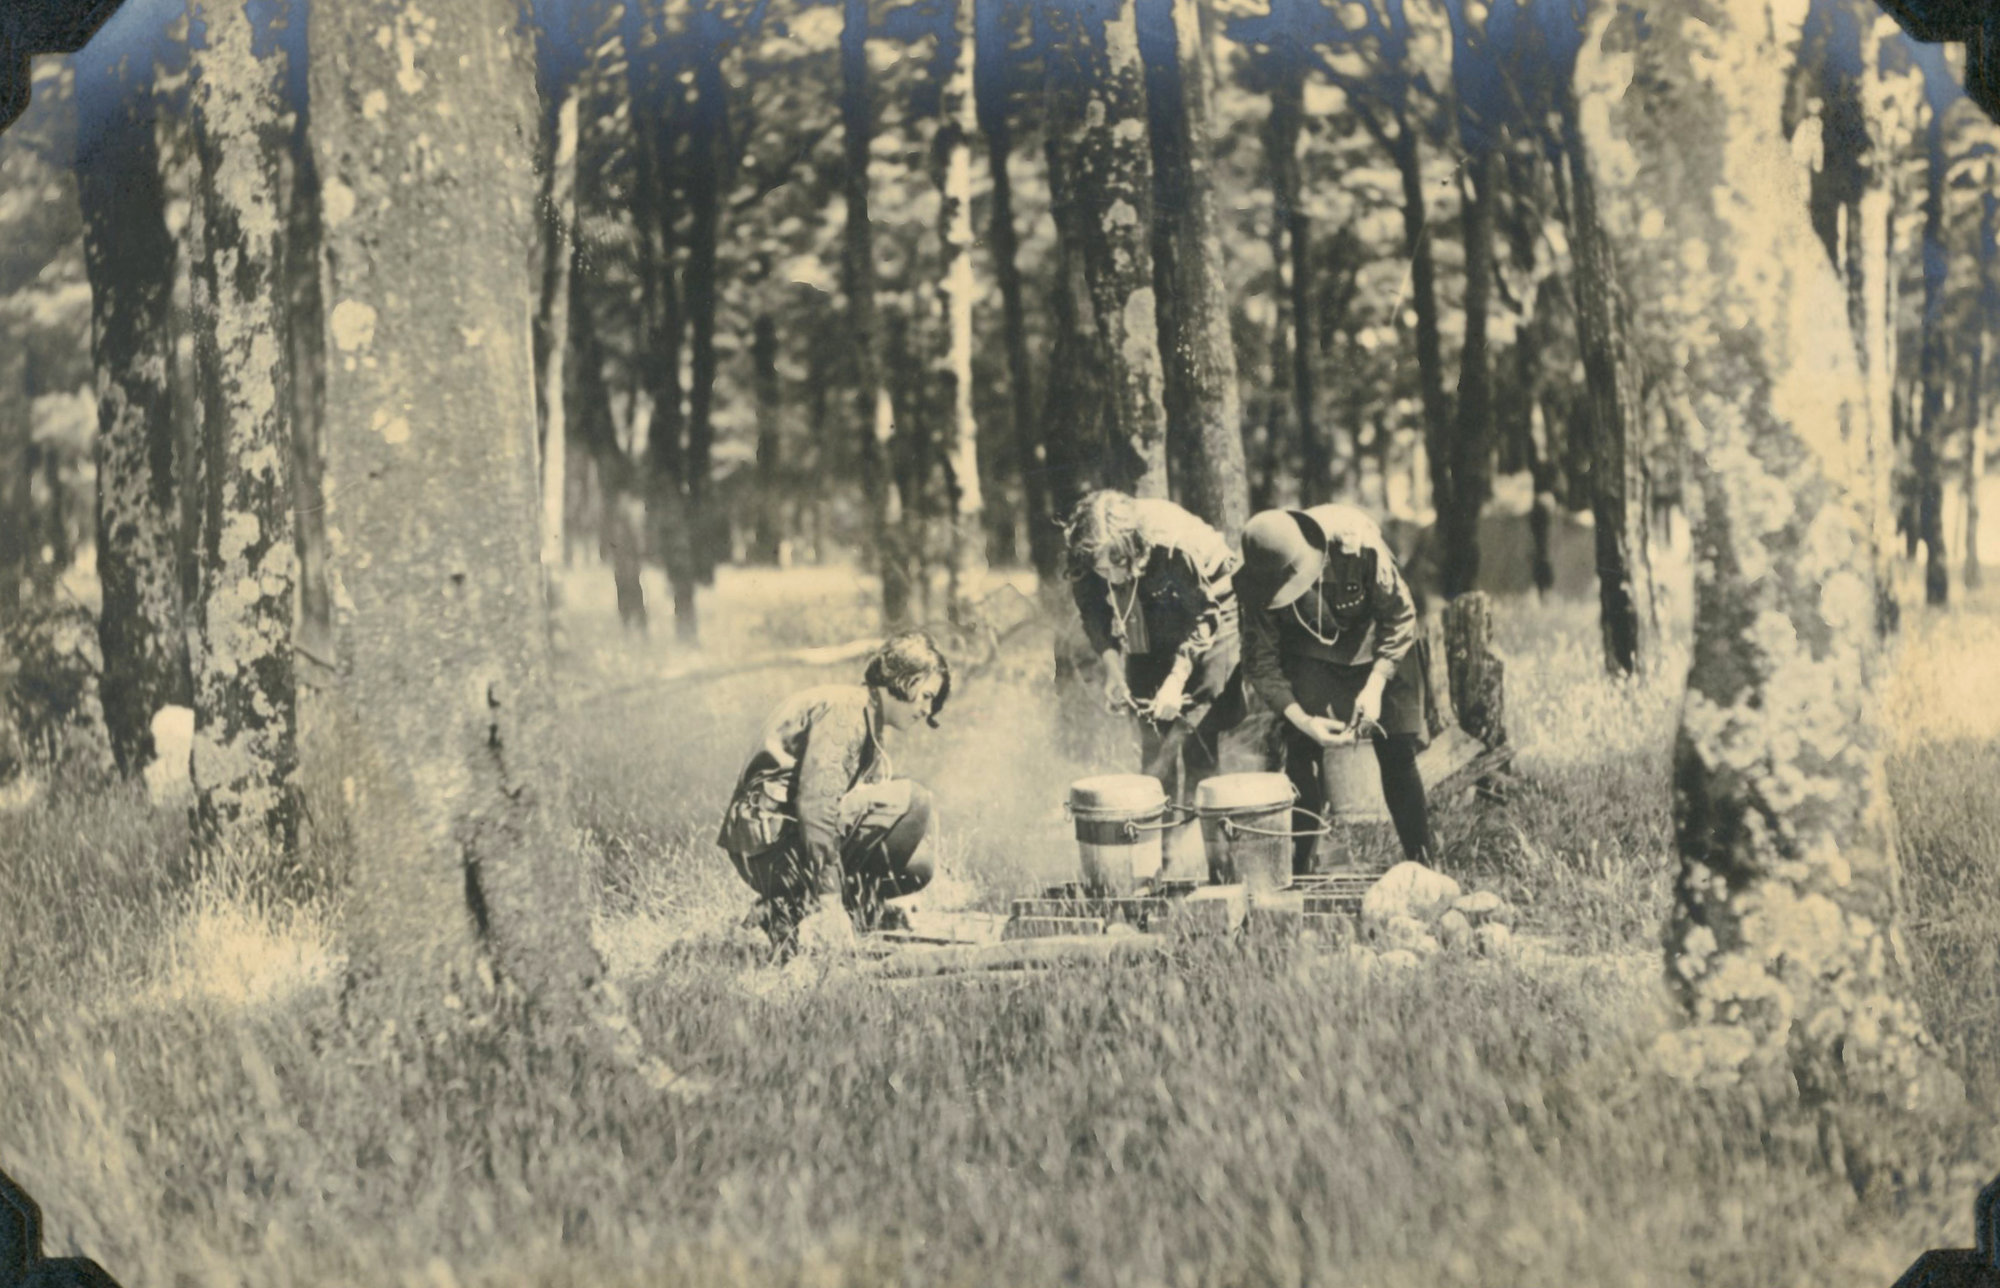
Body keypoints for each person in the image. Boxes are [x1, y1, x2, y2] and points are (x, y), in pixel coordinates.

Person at [716, 631, 951, 954]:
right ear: (904, 679)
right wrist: (829, 898)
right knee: (915, 800)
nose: (928, 710)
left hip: (772, 843)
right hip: (770, 846)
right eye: (926, 695)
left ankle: (783, 910)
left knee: (917, 866)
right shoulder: (847, 711)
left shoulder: (863, 713)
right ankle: (815, 909)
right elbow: (817, 803)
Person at [1236, 504, 1437, 874]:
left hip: (1381, 646)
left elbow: (1399, 616)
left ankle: (1423, 866)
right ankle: (1296, 870)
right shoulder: (1258, 575)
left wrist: (1375, 685)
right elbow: (1261, 661)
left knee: (1397, 754)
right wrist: (1302, 720)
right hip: (1311, 654)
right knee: (1301, 750)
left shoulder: (1355, 543)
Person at [1064, 489, 1246, 801]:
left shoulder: (1172, 545)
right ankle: (1159, 840)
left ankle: (1198, 833)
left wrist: (1176, 681)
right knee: (1151, 721)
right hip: (1146, 598)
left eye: (1114, 565)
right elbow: (1092, 610)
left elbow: (1203, 615)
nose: (1108, 576)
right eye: (1101, 570)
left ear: (1131, 548)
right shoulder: (1085, 547)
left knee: (1195, 727)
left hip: (1209, 597)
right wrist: (1114, 670)